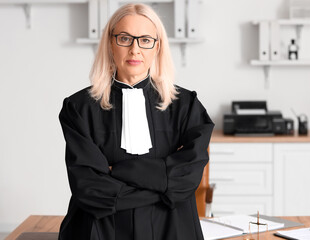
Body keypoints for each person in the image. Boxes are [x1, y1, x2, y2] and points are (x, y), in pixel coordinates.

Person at [58, 3, 214, 240]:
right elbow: (90, 189)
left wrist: (117, 172)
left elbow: (187, 179)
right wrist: (163, 186)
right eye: (124, 38)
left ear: (157, 46)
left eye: (145, 40)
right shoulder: (78, 108)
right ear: (111, 43)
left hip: (171, 229)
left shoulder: (187, 107)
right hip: (101, 230)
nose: (135, 49)